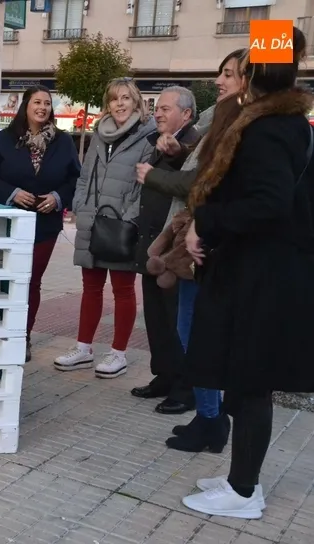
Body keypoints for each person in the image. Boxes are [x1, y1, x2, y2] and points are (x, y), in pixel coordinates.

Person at [180, 27, 313, 519]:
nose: (225, 79)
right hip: (263, 272)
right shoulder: (285, 122)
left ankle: (243, 492)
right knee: (243, 381)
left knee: (251, 384)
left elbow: (268, 204)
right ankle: (241, 478)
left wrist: (206, 223)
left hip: (261, 277)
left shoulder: (268, 128)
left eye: (239, 68)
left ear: (256, 74)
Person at [135, 49, 248, 453]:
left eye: (229, 74)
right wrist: (179, 156)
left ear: (250, 80)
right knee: (189, 332)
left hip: (212, 247)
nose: (219, 81)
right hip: (194, 244)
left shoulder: (247, 124)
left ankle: (214, 423)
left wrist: (155, 176)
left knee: (199, 334)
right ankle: (208, 416)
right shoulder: (222, 119)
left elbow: (203, 183)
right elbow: (201, 172)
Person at [53, 78, 157, 377]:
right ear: (107, 104)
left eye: (126, 98)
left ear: (136, 102)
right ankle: (83, 348)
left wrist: (129, 217)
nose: (119, 104)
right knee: (90, 287)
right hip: (91, 220)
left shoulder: (147, 137)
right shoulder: (100, 133)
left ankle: (118, 353)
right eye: (114, 99)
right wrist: (80, 205)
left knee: (123, 290)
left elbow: (145, 186)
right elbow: (85, 175)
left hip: (122, 226)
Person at [0, 85, 81, 361]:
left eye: (47, 103)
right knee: (5, 280)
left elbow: (76, 178)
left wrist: (58, 198)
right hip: (9, 224)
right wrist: (11, 193)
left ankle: (22, 337)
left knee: (31, 281)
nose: (42, 108)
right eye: (37, 102)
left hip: (44, 225)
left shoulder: (63, 141)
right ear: (26, 106)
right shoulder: (6, 138)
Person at [130, 86, 201, 415]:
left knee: (177, 320)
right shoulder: (158, 141)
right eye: (156, 108)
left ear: (186, 114)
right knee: (157, 318)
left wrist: (160, 169)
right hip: (153, 246)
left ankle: (185, 387)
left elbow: (188, 181)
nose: (157, 113)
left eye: (165, 108)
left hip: (175, 250)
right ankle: (164, 375)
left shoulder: (193, 144)